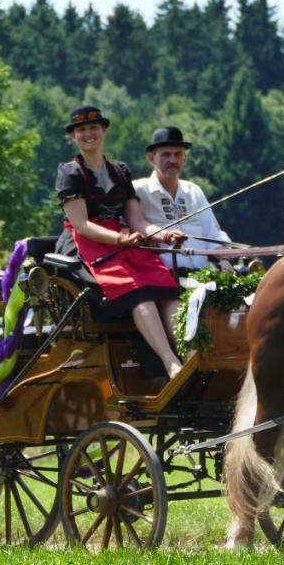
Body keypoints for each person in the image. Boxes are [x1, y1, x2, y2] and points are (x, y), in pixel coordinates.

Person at [54, 105, 187, 378]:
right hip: (86, 245)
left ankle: (190, 356)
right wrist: (119, 238)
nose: (88, 134)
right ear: (74, 137)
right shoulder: (71, 172)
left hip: (124, 241)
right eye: (81, 130)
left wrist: (162, 234)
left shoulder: (120, 171)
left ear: (103, 130)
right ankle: (169, 362)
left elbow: (137, 221)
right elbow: (81, 225)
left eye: (93, 128)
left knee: (167, 289)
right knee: (140, 293)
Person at [133, 126, 234, 275]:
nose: (172, 160)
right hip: (160, 280)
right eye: (166, 155)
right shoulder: (137, 191)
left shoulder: (194, 191)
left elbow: (213, 236)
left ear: (184, 159)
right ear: (151, 158)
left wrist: (225, 259)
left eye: (178, 154)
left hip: (201, 278)